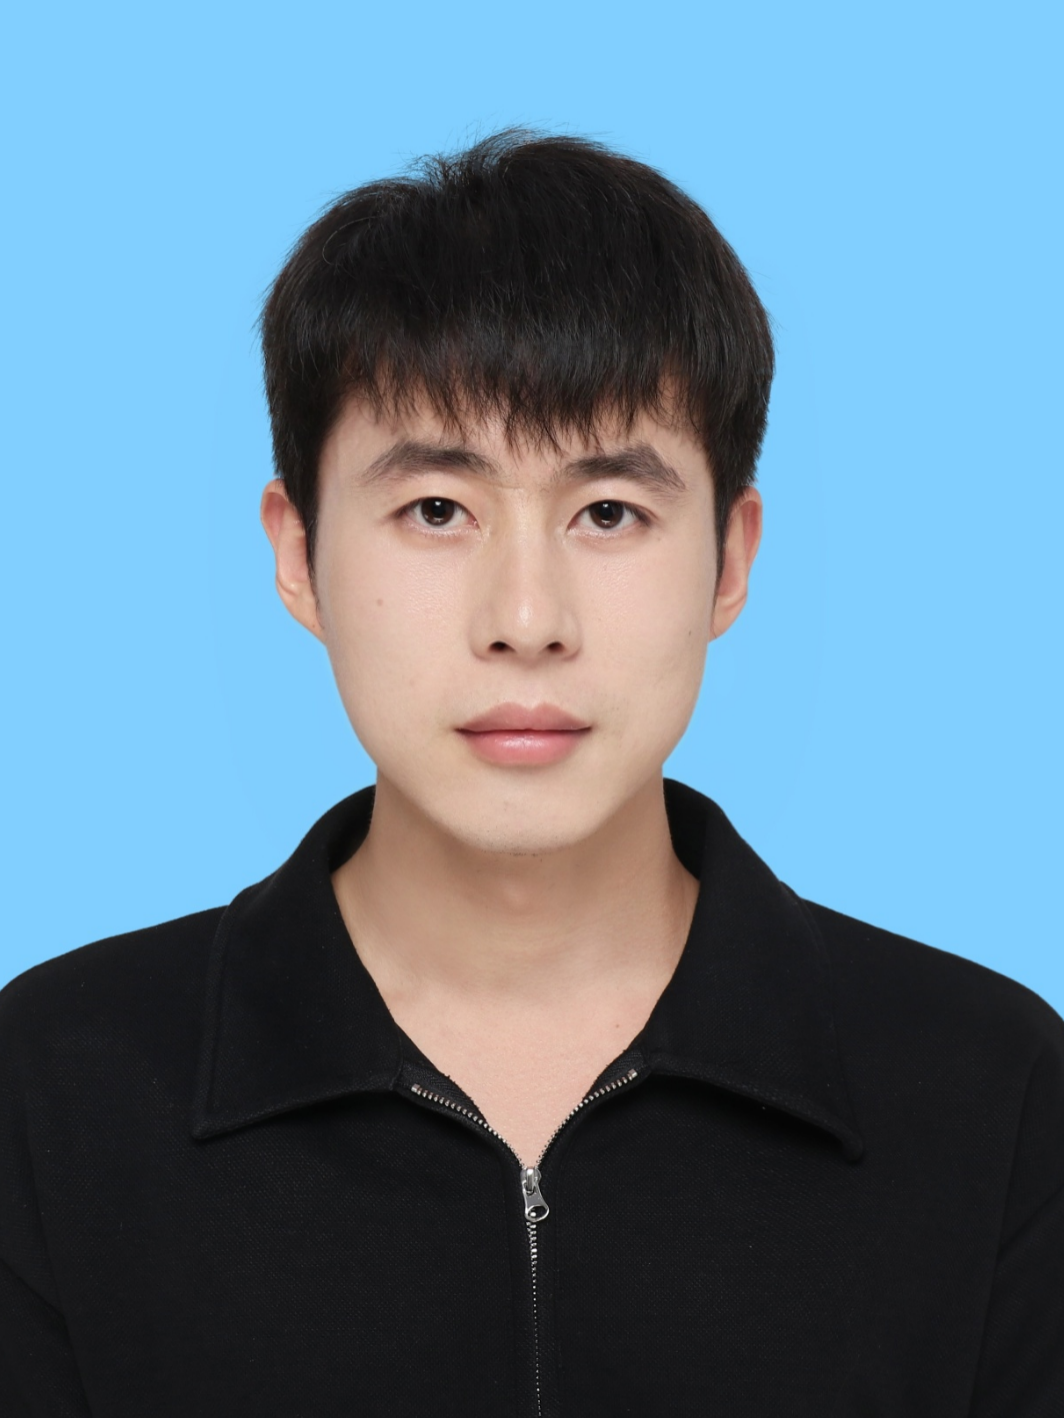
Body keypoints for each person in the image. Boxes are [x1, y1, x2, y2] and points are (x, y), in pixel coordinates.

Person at [1, 130, 1061, 1419]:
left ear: (730, 561)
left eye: (609, 512)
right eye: (436, 510)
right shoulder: (55, 1084)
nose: (525, 620)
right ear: (297, 554)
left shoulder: (992, 1091)